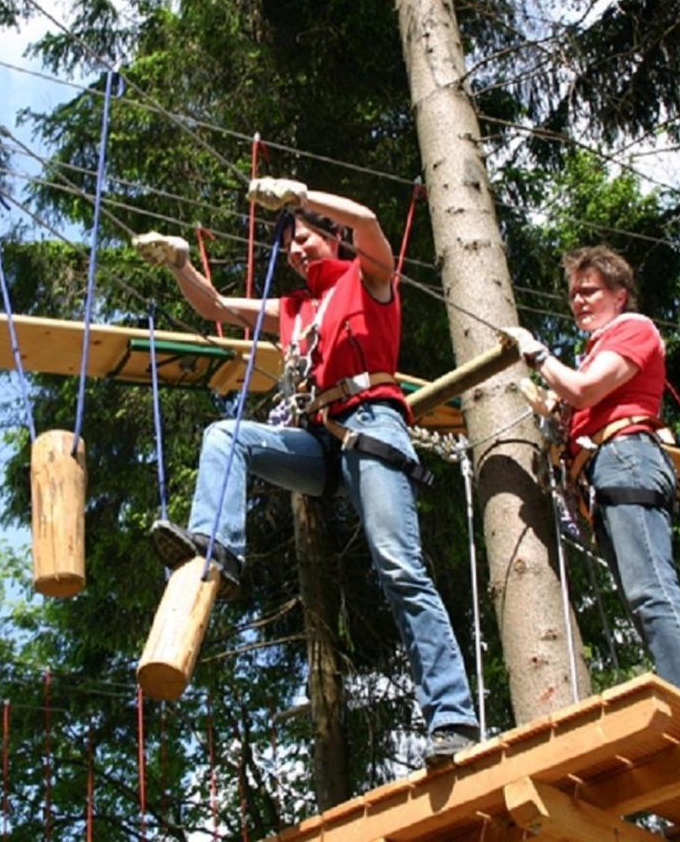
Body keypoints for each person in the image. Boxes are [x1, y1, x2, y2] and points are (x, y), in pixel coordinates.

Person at [131, 177, 479, 765]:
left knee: (399, 566)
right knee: (226, 435)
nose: (296, 249)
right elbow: (216, 308)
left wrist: (302, 198)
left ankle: (453, 719)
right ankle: (216, 548)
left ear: (332, 237)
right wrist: (182, 266)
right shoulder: (293, 309)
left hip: (370, 425)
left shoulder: (367, 280)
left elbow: (367, 220)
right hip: (319, 441)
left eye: (307, 237)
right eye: (289, 244)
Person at [504, 245, 680, 734]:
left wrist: (536, 353)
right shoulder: (597, 349)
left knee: (652, 593)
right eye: (573, 294)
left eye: (590, 291)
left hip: (627, 458)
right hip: (606, 470)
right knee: (645, 598)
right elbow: (578, 402)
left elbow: (583, 390)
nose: (578, 301)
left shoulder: (633, 329)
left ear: (619, 296)